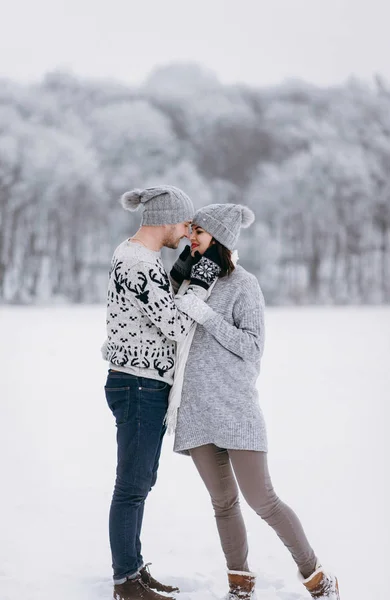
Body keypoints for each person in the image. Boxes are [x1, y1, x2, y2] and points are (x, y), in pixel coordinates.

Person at [169, 203, 340, 600]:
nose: (191, 237)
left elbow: (253, 346)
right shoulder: (184, 281)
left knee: (263, 500)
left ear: (221, 240)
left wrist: (206, 316)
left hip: (235, 409)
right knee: (223, 504)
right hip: (195, 410)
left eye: (200, 232)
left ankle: (316, 577)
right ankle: (240, 585)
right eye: (191, 230)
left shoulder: (244, 284)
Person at [102, 186, 220, 600]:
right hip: (138, 384)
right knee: (132, 485)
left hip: (140, 381)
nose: (187, 232)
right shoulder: (138, 261)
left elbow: (154, 303)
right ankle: (126, 583)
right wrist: (200, 282)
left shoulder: (139, 257)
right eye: (185, 224)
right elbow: (174, 325)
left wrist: (183, 272)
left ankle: (132, 569)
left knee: (139, 481)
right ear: (168, 219)